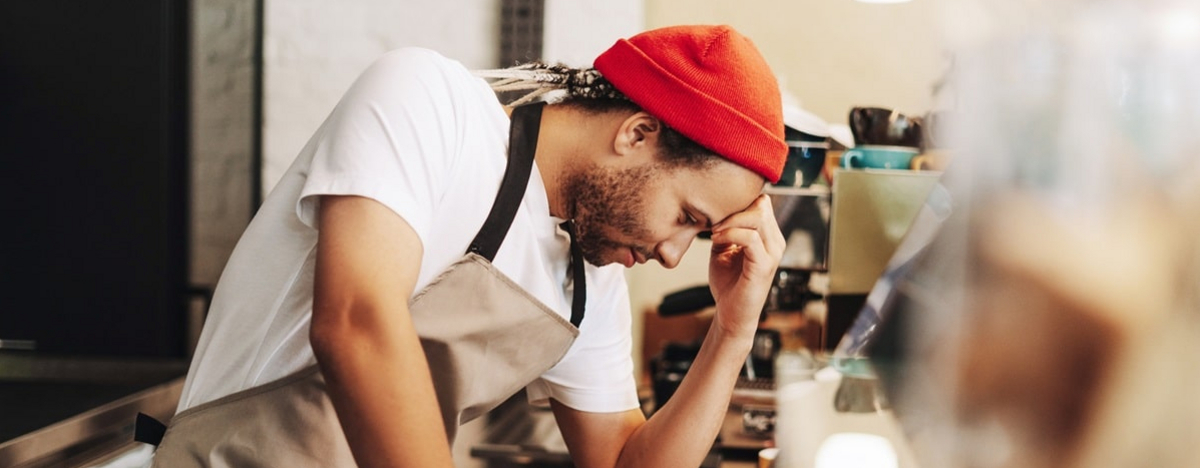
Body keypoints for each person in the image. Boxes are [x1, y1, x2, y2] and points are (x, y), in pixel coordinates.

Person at [147, 24, 788, 467]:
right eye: (684, 216)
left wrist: (734, 327)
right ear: (638, 133)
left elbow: (624, 463)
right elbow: (356, 324)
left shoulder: (587, 280)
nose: (674, 255)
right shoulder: (430, 103)